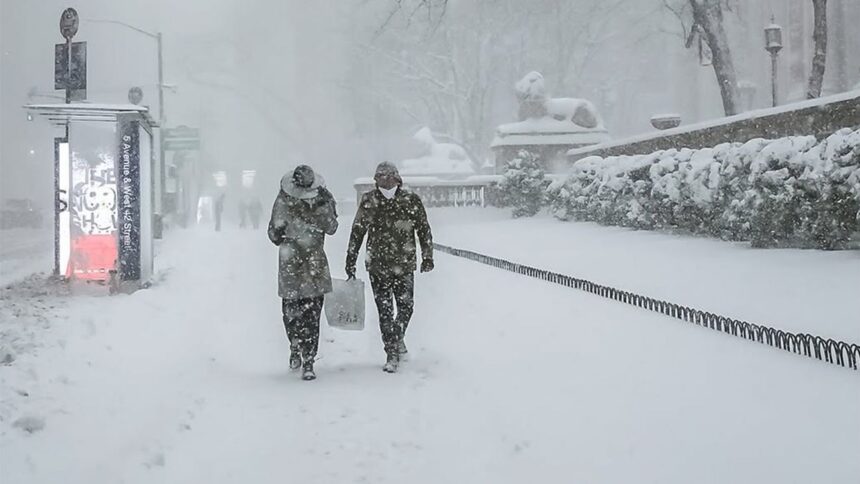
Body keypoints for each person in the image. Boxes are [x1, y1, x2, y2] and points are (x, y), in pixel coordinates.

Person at [346, 162, 434, 373]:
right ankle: (391, 352)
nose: (385, 180)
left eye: (388, 176)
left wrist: (428, 255)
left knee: (406, 306)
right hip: (378, 264)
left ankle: (396, 336)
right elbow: (357, 231)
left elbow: (423, 228)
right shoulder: (369, 200)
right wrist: (351, 259)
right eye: (381, 176)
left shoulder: (410, 199)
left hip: (404, 262)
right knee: (385, 310)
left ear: (397, 178)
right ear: (376, 179)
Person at [268, 165, 338, 381]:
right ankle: (294, 344)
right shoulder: (283, 200)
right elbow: (273, 234)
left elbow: (332, 227)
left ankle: (309, 358)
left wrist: (325, 206)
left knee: (312, 314)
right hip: (290, 264)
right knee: (290, 313)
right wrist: (279, 229)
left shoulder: (321, 198)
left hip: (314, 263)